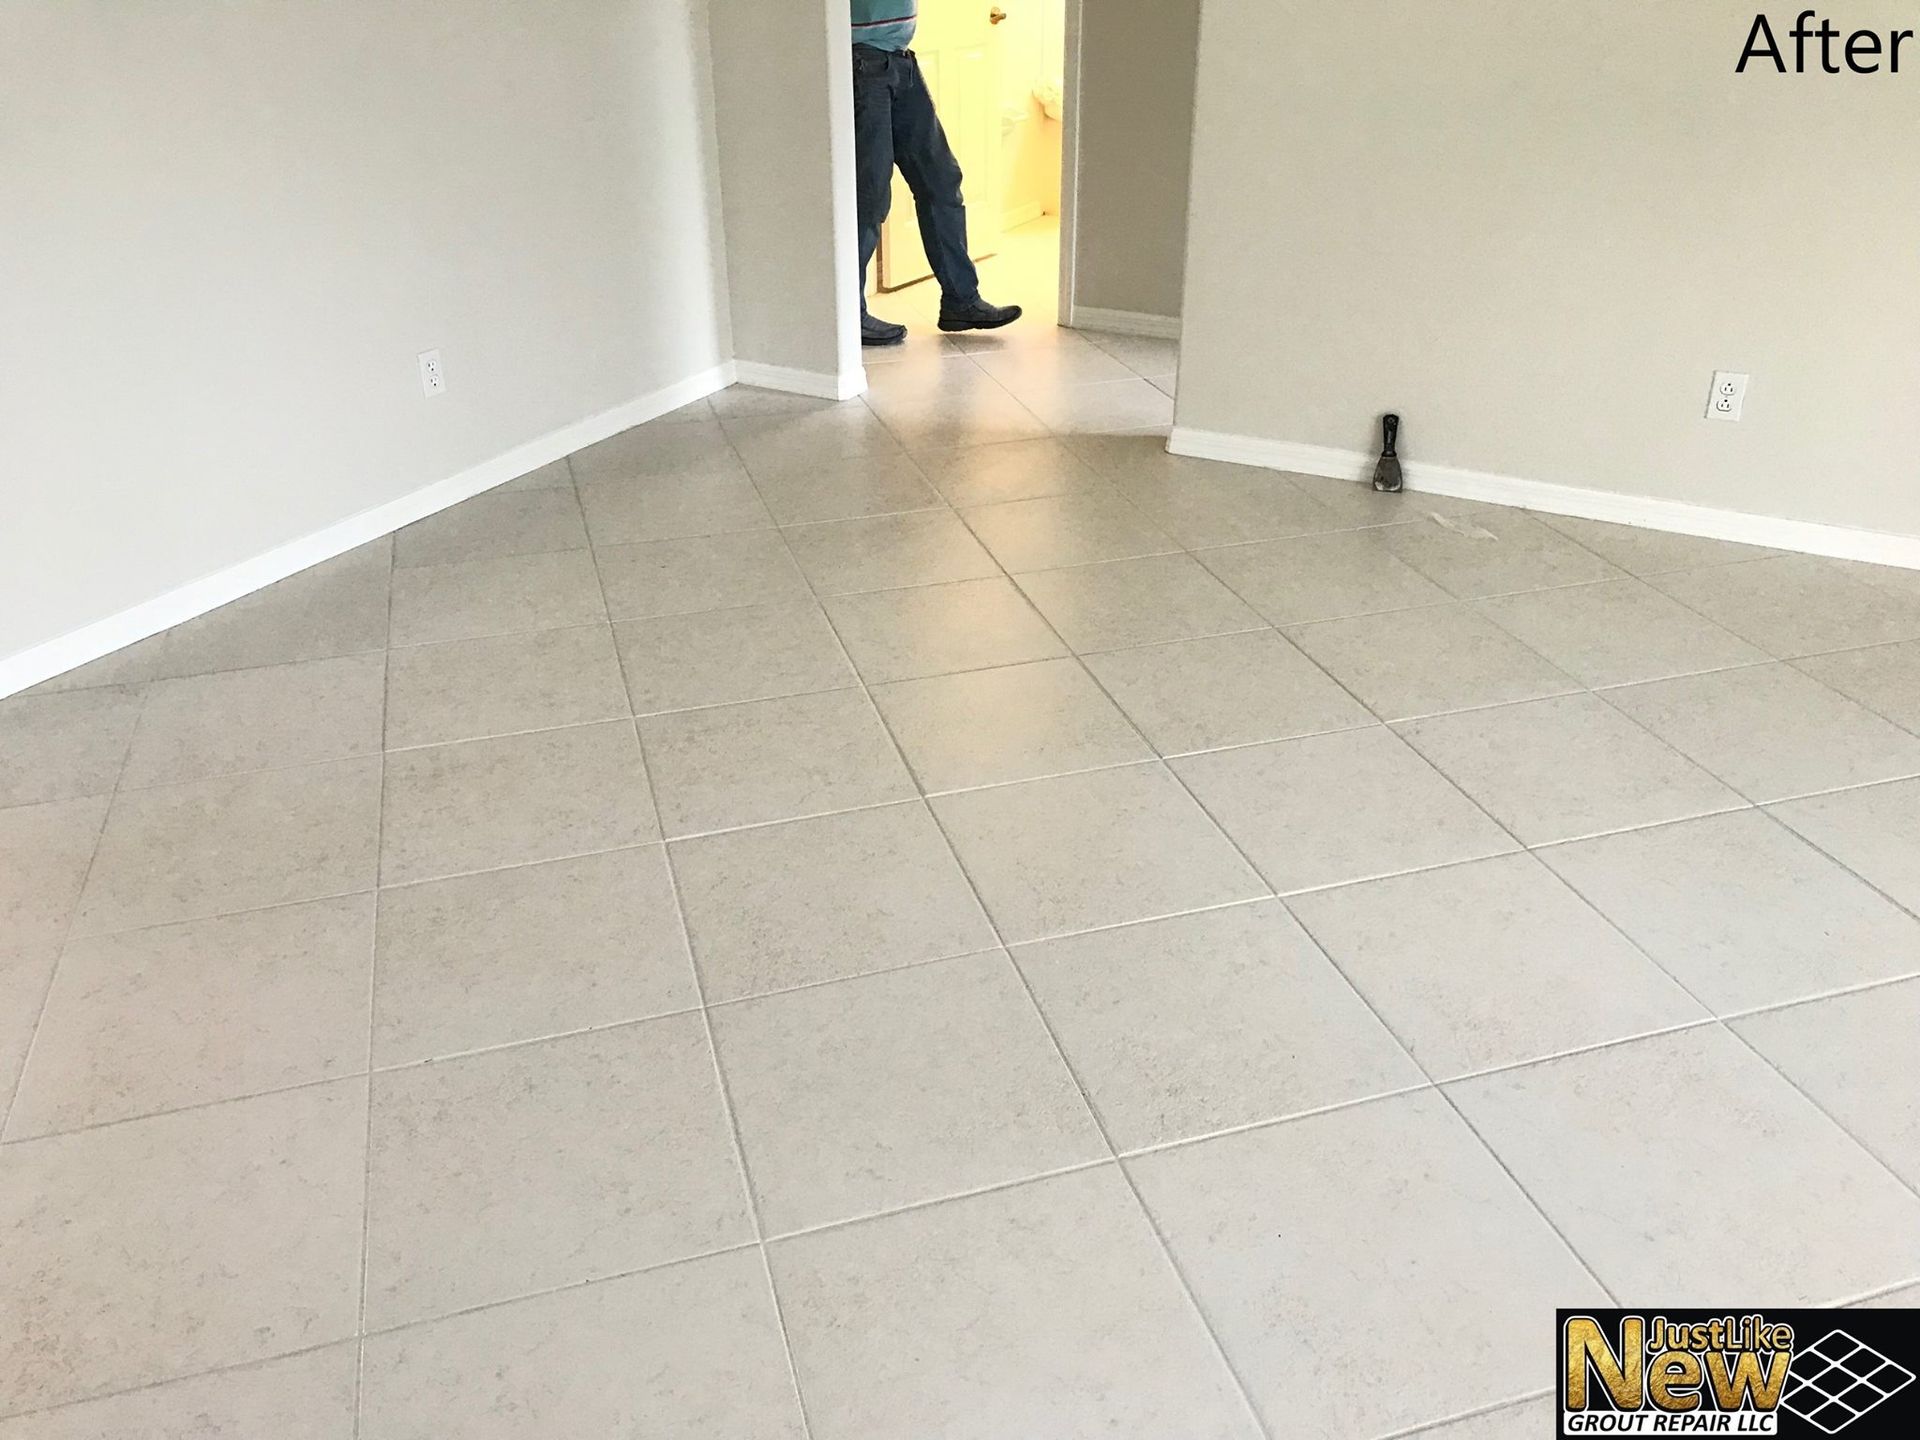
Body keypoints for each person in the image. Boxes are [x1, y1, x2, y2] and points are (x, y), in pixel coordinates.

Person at [851, 1, 1022, 345]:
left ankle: (961, 300)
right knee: (869, 196)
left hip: (900, 59)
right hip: (860, 61)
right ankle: (847, 315)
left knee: (941, 180)